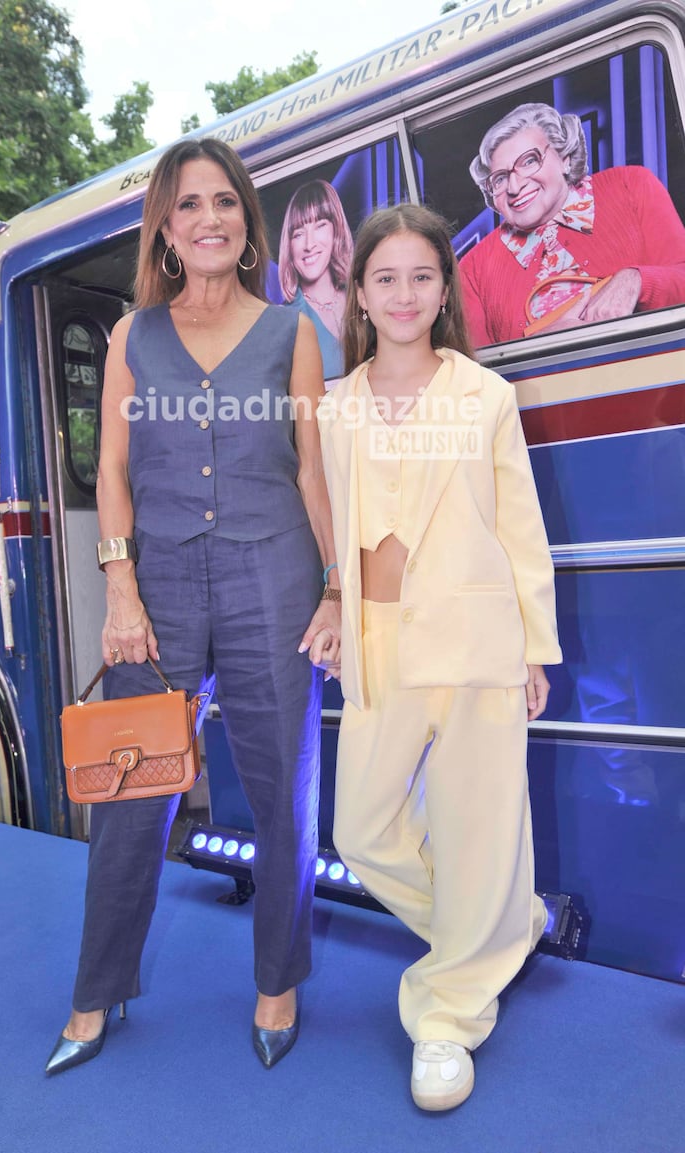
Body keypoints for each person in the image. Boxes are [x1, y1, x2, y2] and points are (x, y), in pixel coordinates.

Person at [45, 138, 341, 1076]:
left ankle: (277, 981)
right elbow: (114, 471)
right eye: (187, 206)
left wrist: (335, 584)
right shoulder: (134, 336)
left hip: (275, 578)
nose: (208, 218)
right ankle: (96, 993)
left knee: (283, 795)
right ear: (165, 231)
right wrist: (119, 589)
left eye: (223, 202)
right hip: (160, 589)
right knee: (132, 794)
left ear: (246, 221)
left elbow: (312, 468)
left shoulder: (294, 333)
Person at [316, 204, 562, 1111]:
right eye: (386, 278)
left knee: (479, 826)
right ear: (361, 295)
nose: (405, 292)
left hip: (476, 640)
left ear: (442, 290)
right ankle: (499, 929)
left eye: (422, 276)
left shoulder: (484, 396)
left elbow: (520, 529)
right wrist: (334, 600)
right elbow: (330, 532)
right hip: (379, 648)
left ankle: (446, 1015)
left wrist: (535, 644)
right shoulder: (334, 406)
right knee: (360, 830)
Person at [459, 102, 685, 345]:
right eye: (500, 178)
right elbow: (476, 372)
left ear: (564, 157)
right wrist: (541, 345)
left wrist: (636, 281)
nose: (515, 187)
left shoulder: (630, 186)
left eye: (529, 161)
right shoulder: (473, 269)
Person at [278, 179, 354, 379]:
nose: (309, 244)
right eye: (298, 233)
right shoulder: (283, 323)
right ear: (289, 246)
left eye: (320, 225)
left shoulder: (365, 298)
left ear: (335, 230)